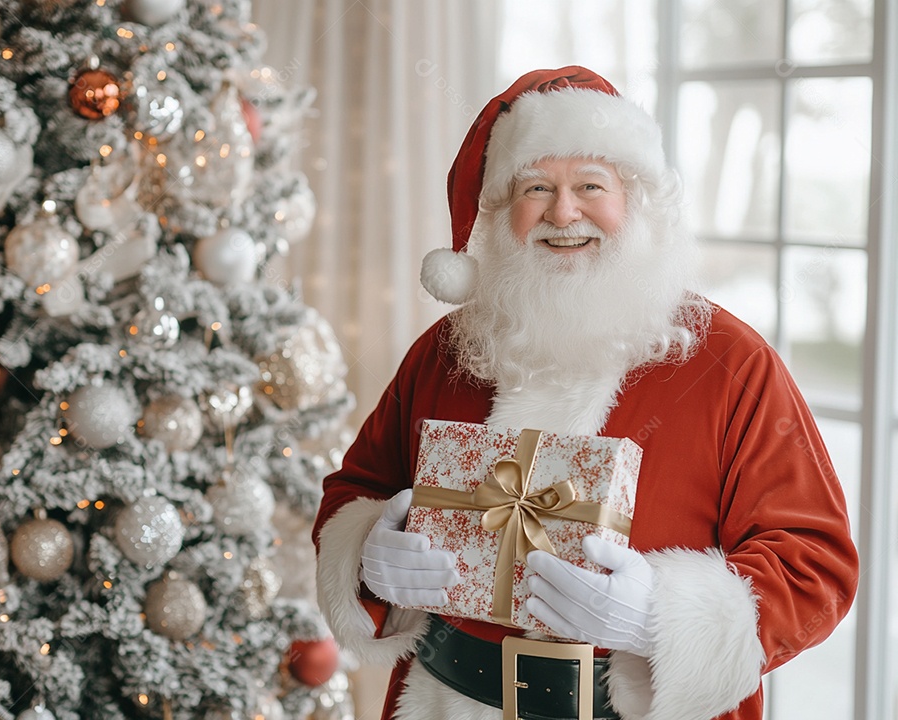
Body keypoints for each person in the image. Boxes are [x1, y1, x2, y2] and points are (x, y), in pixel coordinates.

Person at [312, 66, 858, 720]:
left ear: (635, 202)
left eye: (590, 186)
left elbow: (814, 566)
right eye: (536, 187)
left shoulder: (730, 363)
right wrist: (369, 556)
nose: (563, 212)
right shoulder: (445, 351)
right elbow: (358, 486)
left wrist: (658, 618)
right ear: (501, 214)